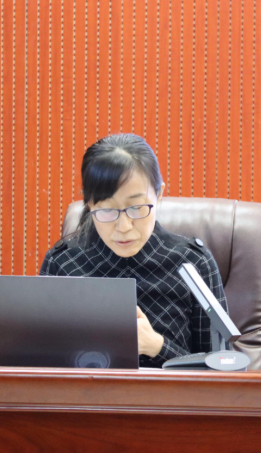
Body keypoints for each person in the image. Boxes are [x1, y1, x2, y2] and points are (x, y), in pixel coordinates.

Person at [39, 133, 228, 368]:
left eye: (137, 207)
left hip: (170, 393)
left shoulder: (193, 263)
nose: (124, 227)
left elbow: (222, 369)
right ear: (89, 203)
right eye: (106, 210)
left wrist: (157, 346)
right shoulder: (63, 263)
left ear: (159, 195)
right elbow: (42, 366)